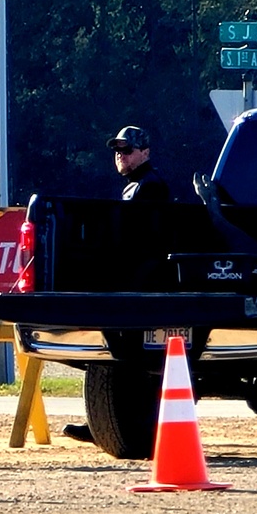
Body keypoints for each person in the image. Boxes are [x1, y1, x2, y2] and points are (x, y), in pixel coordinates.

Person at [62, 125, 171, 445]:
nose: (120, 156)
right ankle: (105, 424)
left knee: (127, 358)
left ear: (145, 152)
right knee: (114, 357)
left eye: (128, 150)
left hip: (142, 285)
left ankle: (118, 425)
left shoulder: (150, 187)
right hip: (130, 282)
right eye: (117, 151)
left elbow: (143, 242)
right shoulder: (135, 186)